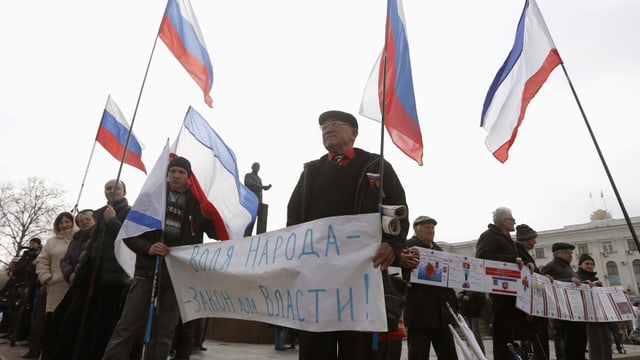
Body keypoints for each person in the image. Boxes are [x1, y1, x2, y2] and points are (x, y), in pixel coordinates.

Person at [287, 110, 409, 360]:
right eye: (323, 126)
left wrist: (393, 245)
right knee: (315, 348)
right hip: (317, 280)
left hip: (361, 278)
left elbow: (398, 212)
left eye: (335, 124)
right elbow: (293, 220)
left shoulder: (376, 166)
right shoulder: (310, 172)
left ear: (354, 133)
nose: (327, 128)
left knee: (359, 349)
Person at [102, 156, 217, 360]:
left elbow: (217, 233)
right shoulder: (151, 198)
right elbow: (129, 234)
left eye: (181, 172)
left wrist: (212, 217)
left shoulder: (198, 203)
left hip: (176, 275)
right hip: (147, 272)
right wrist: (148, 248)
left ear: (188, 177)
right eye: (173, 171)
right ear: (167, 174)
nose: (176, 175)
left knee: (164, 333)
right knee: (127, 326)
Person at [475, 207, 533, 360]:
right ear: (503, 221)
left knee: (515, 336)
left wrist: (526, 263)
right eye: (512, 219)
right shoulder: (488, 236)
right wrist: (511, 260)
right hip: (501, 295)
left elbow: (516, 259)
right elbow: (483, 256)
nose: (514, 222)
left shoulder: (506, 237)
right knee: (503, 336)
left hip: (514, 295)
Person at [403, 216, 458, 359]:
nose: (431, 231)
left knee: (449, 354)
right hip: (419, 314)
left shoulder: (440, 251)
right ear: (416, 230)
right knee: (418, 354)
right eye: (427, 228)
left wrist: (453, 306)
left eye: (433, 228)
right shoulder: (407, 247)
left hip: (441, 315)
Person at [35, 211, 76, 360]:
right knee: (51, 327)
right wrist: (46, 278)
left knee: (68, 328)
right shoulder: (51, 241)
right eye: (61, 222)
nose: (64, 225)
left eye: (67, 221)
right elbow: (42, 261)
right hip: (55, 289)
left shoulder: (80, 238)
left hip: (73, 288)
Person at [540, 242, 585, 360]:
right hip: (563, 315)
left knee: (579, 343)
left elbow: (576, 282)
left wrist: (586, 284)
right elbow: (544, 283)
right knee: (566, 346)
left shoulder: (568, 267)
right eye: (566, 252)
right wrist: (569, 280)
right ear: (556, 253)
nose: (570, 255)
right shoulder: (551, 266)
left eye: (571, 253)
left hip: (575, 312)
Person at [514, 224, 550, 359]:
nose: (535, 242)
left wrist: (543, 278)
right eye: (533, 239)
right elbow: (522, 282)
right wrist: (528, 307)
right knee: (530, 345)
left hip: (532, 307)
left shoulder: (523, 253)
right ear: (526, 238)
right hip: (527, 309)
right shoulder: (518, 253)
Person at [576, 253, 613, 359]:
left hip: (601, 315)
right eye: (587, 263)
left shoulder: (595, 278)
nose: (590, 265)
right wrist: (585, 285)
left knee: (606, 342)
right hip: (588, 316)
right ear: (580, 265)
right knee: (595, 343)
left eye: (592, 264)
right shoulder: (577, 277)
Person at [244, 162, 272, 236]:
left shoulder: (259, 178)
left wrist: (265, 187)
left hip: (259, 203)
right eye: (255, 166)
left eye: (258, 166)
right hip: (251, 202)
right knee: (249, 221)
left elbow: (260, 188)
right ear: (252, 167)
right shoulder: (248, 175)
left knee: (260, 223)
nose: (257, 167)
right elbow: (249, 184)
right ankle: (246, 237)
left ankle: (258, 239)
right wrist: (263, 187)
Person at [458, 290, 486, 355]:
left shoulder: (479, 289)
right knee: (468, 333)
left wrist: (474, 308)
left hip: (475, 314)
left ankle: (481, 353)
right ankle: (471, 352)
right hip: (467, 314)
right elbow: (459, 295)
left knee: (476, 333)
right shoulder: (467, 288)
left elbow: (482, 300)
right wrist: (463, 296)